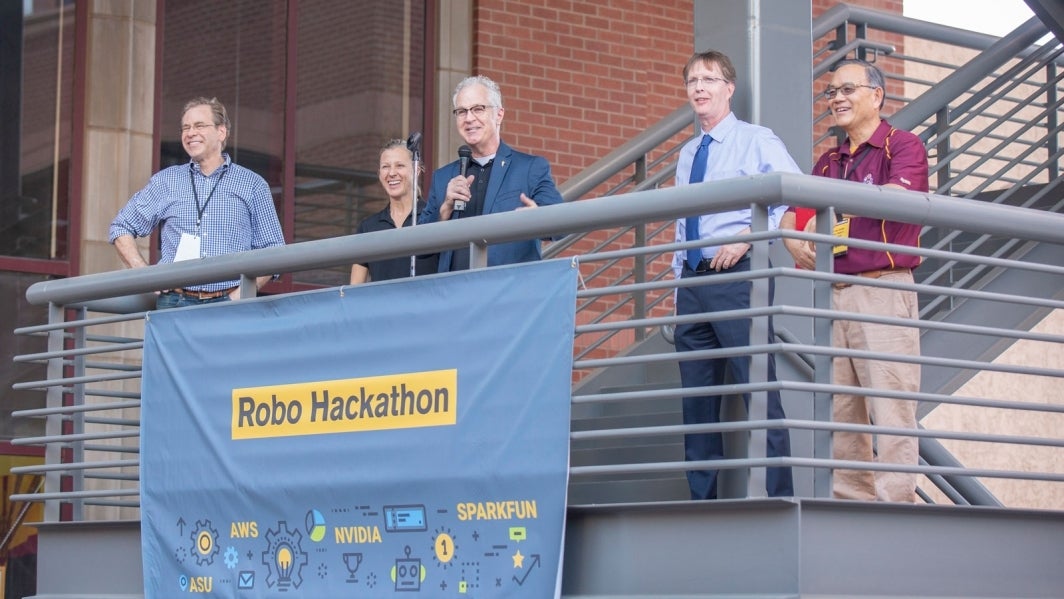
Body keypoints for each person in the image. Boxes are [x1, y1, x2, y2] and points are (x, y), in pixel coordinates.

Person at [672, 50, 795, 500]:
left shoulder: (755, 140)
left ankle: (777, 499)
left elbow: (792, 200)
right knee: (697, 406)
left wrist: (748, 236)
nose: (699, 88)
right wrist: (675, 280)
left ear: (729, 87)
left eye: (709, 79)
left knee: (757, 391)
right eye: (692, 81)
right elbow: (679, 220)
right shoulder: (688, 154)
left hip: (738, 278)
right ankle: (701, 504)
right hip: (692, 283)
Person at [804, 58, 928, 502]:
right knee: (842, 413)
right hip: (835, 293)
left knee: (891, 408)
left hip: (883, 288)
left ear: (876, 95)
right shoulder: (827, 161)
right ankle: (851, 506)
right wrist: (798, 244)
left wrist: (840, 210)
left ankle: (897, 510)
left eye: (847, 89)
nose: (837, 98)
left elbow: (898, 200)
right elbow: (799, 222)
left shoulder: (903, 145)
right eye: (831, 92)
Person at [109, 97, 285, 309]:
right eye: (186, 127)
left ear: (221, 132)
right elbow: (121, 227)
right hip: (175, 302)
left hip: (229, 304)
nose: (190, 133)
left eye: (199, 125)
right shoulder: (167, 181)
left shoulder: (252, 184)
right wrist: (145, 273)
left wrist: (240, 295)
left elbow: (274, 249)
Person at [418, 75, 563, 271]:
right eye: (461, 111)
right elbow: (419, 247)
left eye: (478, 109)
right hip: (454, 294)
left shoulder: (530, 168)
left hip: (506, 293)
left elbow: (562, 226)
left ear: (499, 114)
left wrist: (537, 219)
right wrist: (444, 209)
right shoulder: (443, 177)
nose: (469, 118)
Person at [349, 139, 439, 284]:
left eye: (400, 165)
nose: (391, 173)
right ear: (379, 174)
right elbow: (354, 289)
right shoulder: (368, 227)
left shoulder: (433, 217)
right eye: (385, 167)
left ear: (416, 170)